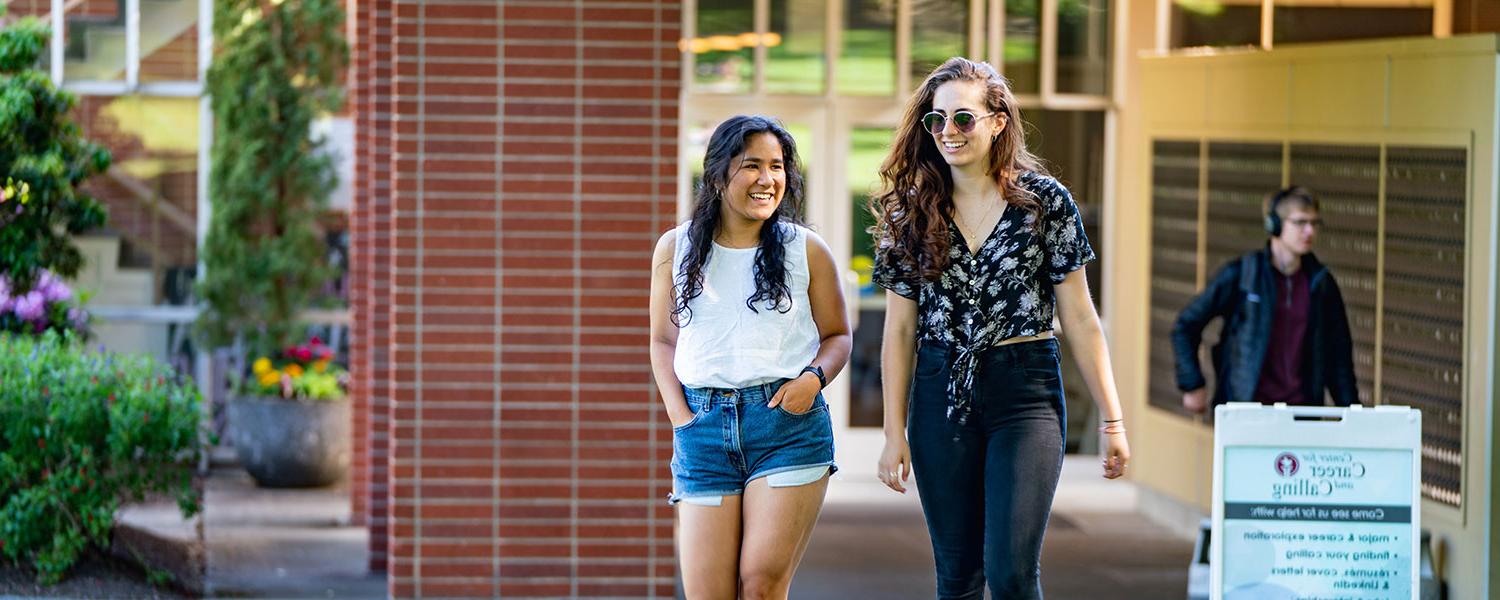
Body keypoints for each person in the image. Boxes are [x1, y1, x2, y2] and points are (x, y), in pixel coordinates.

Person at [869, 57, 1130, 599]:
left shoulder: (1045, 203)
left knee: (1011, 572)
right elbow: (899, 332)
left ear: (998, 121)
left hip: (1025, 391)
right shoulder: (912, 212)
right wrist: (894, 432)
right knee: (958, 577)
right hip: (941, 389)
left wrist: (1112, 418)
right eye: (936, 121)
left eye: (963, 118)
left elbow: (1079, 316)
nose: (948, 132)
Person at [648, 115, 852, 600]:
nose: (768, 179)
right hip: (703, 431)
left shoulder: (806, 250)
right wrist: (681, 415)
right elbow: (661, 341)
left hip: (786, 429)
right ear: (719, 174)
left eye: (777, 166)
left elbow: (839, 335)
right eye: (752, 166)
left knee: (760, 585)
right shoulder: (674, 249)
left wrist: (812, 380)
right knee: (708, 593)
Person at [1172, 185, 1357, 412]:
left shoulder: (1321, 283)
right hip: (1246, 412)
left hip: (1301, 415)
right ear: (1275, 224)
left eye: (1314, 223)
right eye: (1300, 222)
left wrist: (1352, 414)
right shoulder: (1243, 275)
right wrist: (1192, 384)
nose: (1310, 231)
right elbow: (1185, 325)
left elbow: (1339, 356)